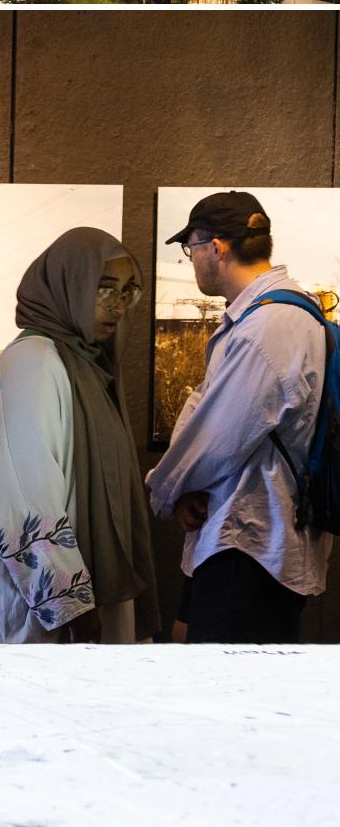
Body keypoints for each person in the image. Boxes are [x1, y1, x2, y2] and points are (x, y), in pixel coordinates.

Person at [0, 228, 160, 645]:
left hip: (53, 605)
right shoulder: (33, 363)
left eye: (126, 292)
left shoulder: (80, 364)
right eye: (102, 289)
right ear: (68, 285)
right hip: (29, 608)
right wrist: (71, 607)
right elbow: (18, 500)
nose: (116, 306)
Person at [146, 191, 332, 643]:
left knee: (229, 698)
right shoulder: (273, 316)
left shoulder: (266, 329)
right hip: (251, 539)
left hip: (250, 545)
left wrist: (163, 490)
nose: (191, 261)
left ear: (217, 246)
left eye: (190, 249)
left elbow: (217, 439)